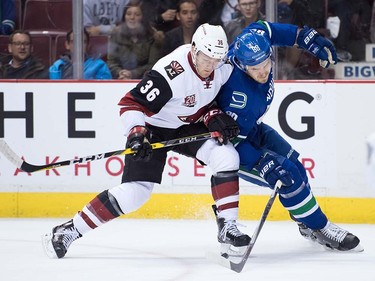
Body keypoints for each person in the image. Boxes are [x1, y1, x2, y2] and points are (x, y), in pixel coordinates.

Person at [42, 23, 251, 259]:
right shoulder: (171, 73)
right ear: (194, 49)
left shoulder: (222, 66)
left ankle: (228, 227)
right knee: (135, 193)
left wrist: (213, 114)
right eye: (206, 58)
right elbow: (130, 103)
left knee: (227, 156)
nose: (210, 66)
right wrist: (136, 134)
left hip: (187, 126)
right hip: (153, 127)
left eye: (216, 59)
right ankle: (69, 229)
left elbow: (209, 97)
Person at [216, 20, 363, 253]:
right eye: (256, 69)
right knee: (287, 176)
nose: (263, 72)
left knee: (295, 165)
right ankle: (321, 226)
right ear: (242, 67)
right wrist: (259, 162)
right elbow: (228, 141)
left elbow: (268, 29)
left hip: (252, 128)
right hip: (231, 147)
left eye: (266, 64)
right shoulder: (233, 93)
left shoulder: (253, 40)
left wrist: (306, 38)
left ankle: (307, 225)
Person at [107, 0, 164, 79]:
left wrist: (132, 74)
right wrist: (120, 72)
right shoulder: (115, 35)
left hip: (145, 80)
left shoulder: (153, 36)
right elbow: (111, 62)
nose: (132, 17)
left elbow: (153, 64)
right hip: (120, 79)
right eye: (128, 14)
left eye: (137, 14)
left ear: (143, 18)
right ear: (124, 17)